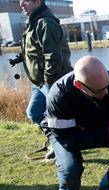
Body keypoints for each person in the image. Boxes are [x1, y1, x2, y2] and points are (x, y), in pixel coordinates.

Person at [43, 56, 109, 190]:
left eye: (106, 87)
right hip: (67, 134)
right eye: (99, 91)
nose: (106, 93)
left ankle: (108, 188)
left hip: (99, 126)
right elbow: (70, 142)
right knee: (70, 168)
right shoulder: (58, 97)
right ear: (79, 85)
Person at [9, 0, 72, 158]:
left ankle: (64, 148)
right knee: (34, 113)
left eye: (25, 2)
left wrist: (50, 83)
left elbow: (53, 57)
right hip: (39, 82)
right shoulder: (34, 22)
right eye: (20, 2)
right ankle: (54, 141)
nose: (21, 5)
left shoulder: (46, 23)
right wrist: (19, 58)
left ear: (37, 1)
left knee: (58, 119)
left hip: (51, 81)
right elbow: (33, 49)